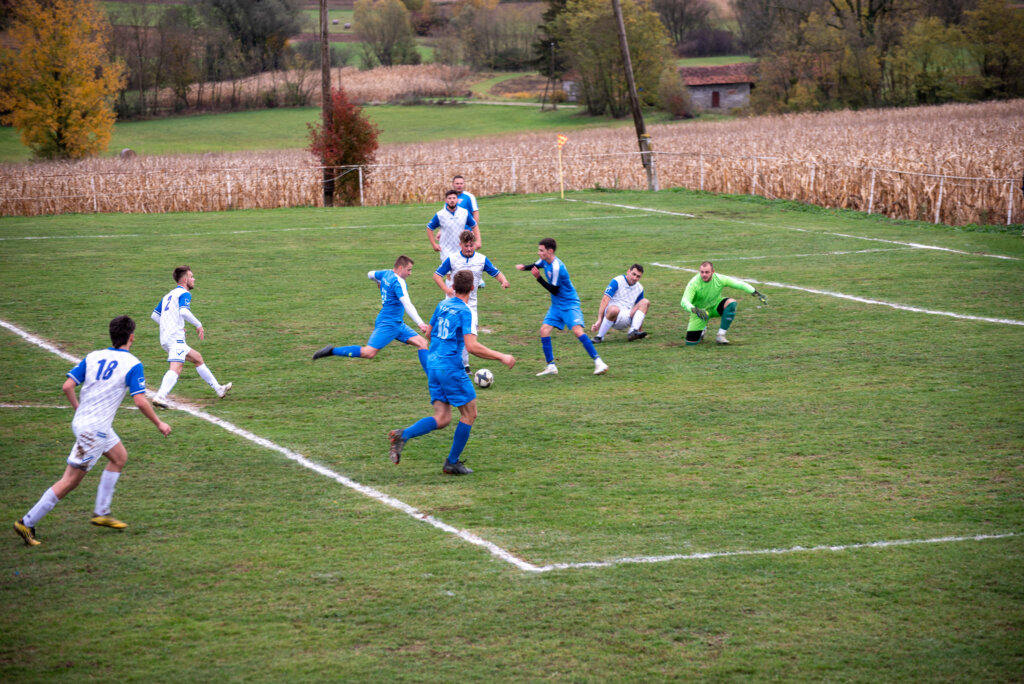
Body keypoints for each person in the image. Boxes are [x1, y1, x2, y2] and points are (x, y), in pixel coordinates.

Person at [13, 316, 172, 546]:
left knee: (119, 457)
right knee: (70, 481)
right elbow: (139, 401)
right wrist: (159, 423)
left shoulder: (94, 356)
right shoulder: (133, 364)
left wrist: (79, 409)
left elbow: (67, 386)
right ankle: (26, 522)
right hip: (94, 431)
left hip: (86, 423)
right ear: (131, 337)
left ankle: (101, 512)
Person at [388, 270, 515, 475]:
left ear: (453, 287)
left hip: (433, 365)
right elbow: (472, 347)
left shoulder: (442, 304)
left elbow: (429, 333)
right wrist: (501, 356)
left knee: (442, 418)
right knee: (470, 414)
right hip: (450, 369)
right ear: (473, 288)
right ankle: (451, 463)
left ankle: (403, 435)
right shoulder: (466, 312)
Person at [313, 255, 431, 372]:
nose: (410, 273)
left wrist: (378, 281)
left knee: (422, 343)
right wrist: (420, 323)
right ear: (400, 268)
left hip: (396, 323)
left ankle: (431, 378)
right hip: (389, 323)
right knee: (369, 352)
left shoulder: (386, 274)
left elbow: (370, 274)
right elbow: (407, 304)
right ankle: (332, 351)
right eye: (408, 270)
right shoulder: (398, 282)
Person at [515, 238, 608, 376]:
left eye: (541, 250)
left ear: (550, 251)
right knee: (544, 330)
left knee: (578, 331)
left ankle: (599, 362)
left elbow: (554, 290)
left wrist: (538, 278)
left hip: (569, 303)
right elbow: (536, 265)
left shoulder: (557, 267)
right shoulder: (544, 260)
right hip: (557, 304)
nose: (538, 252)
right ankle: (551, 366)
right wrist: (524, 267)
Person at [151, 265, 231, 408]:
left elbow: (155, 316)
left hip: (166, 338)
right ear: (185, 279)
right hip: (175, 338)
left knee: (197, 358)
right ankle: (160, 396)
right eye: (191, 277)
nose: (194, 279)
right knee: (176, 367)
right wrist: (198, 324)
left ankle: (219, 389)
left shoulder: (168, 295)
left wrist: (170, 325)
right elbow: (184, 312)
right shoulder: (184, 294)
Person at [432, 230, 510, 372]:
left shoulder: (481, 259)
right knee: (454, 335)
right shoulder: (452, 259)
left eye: (471, 245)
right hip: (453, 304)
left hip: (471, 306)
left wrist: (503, 281)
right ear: (460, 245)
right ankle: (456, 363)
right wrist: (446, 289)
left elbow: (495, 272)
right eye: (466, 246)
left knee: (468, 336)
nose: (469, 249)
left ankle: (464, 365)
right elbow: (437, 275)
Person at [680, 261, 767, 345]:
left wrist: (754, 292)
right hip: (700, 313)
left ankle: (720, 335)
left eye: (707, 272)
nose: (704, 275)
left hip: (715, 307)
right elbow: (684, 301)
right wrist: (695, 310)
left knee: (731, 303)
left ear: (713, 272)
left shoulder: (720, 279)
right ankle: (702, 328)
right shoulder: (694, 283)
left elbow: (738, 284)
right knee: (690, 343)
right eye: (702, 272)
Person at [591, 264, 651, 343]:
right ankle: (599, 337)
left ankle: (633, 332)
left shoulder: (640, 288)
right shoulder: (617, 281)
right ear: (628, 271)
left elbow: (640, 310)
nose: (634, 278)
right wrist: (599, 320)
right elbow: (605, 300)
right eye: (633, 274)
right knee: (614, 309)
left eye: (638, 276)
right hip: (612, 315)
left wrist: (640, 330)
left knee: (645, 302)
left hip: (628, 316)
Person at [427, 189, 480, 266]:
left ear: (457, 200)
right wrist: (434, 244)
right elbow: (429, 228)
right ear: (446, 200)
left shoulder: (464, 213)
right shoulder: (440, 214)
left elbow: (474, 225)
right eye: (449, 198)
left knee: (462, 271)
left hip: (461, 248)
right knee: (449, 271)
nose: (452, 200)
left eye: (454, 198)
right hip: (446, 249)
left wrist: (478, 241)